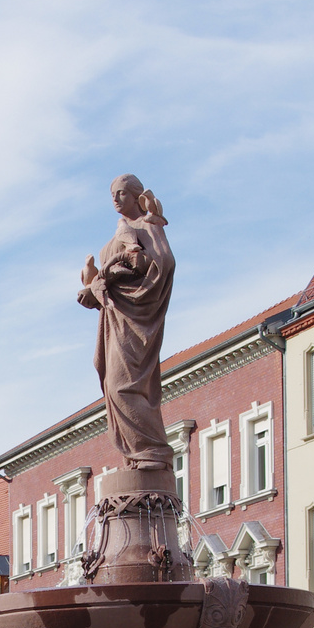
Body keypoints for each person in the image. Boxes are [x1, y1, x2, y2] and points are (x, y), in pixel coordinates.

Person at [78, 174, 176, 470]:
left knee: (124, 386)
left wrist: (126, 269)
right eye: (112, 194)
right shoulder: (113, 241)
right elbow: (105, 286)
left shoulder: (149, 226)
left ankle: (152, 453)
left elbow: (163, 264)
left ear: (136, 196)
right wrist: (92, 285)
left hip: (138, 318)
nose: (116, 199)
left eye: (121, 193)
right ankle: (137, 456)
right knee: (112, 383)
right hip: (115, 320)